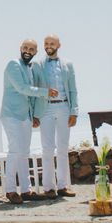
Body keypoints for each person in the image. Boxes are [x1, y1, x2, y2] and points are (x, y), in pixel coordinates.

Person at [0, 38, 58, 204]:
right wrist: (45, 92)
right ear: (20, 48)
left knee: (24, 152)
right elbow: (22, 89)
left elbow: (30, 97)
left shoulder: (31, 69)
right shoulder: (13, 65)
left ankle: (26, 190)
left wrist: (35, 116)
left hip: (25, 116)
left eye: (31, 49)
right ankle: (10, 190)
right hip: (11, 114)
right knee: (15, 150)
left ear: (35, 52)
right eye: (25, 47)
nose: (28, 51)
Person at [33, 34, 78, 199]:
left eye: (52, 43)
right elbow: (34, 90)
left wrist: (74, 111)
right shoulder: (36, 64)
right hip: (46, 109)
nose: (48, 45)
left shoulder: (68, 64)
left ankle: (63, 186)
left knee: (63, 148)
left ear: (59, 45)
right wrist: (34, 114)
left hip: (64, 107)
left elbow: (73, 89)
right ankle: (49, 187)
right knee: (47, 148)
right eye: (46, 43)